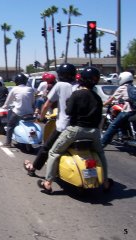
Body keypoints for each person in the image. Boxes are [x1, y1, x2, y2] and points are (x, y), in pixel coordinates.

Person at [37, 66, 113, 194]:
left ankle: (48, 182)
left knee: (53, 152)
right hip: (94, 132)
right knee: (100, 154)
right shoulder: (97, 97)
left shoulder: (76, 94)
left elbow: (68, 112)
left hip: (75, 131)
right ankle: (105, 182)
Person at [24, 63, 78, 176]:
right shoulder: (80, 86)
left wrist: (40, 117)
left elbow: (46, 104)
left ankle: (33, 168)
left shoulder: (60, 85)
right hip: (81, 126)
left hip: (63, 126)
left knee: (46, 148)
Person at [101, 71, 136, 148]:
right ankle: (125, 135)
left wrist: (102, 104)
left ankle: (101, 144)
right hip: (134, 110)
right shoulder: (133, 87)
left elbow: (111, 98)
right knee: (123, 121)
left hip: (129, 110)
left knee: (113, 125)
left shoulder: (123, 87)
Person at [1, 73, 35, 147]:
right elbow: (32, 101)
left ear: (16, 81)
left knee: (9, 125)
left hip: (18, 113)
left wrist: (4, 106)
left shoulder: (14, 89)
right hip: (30, 113)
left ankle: (8, 143)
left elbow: (8, 101)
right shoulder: (30, 89)